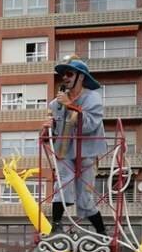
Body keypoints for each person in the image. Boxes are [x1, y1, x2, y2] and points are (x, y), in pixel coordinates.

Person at [42, 56, 107, 236]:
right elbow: (49, 133)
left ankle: (102, 232)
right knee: (63, 183)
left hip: (86, 153)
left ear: (81, 77)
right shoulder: (55, 104)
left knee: (85, 199)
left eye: (69, 74)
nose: (65, 78)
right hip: (64, 152)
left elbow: (89, 125)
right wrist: (46, 129)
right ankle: (55, 226)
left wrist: (70, 105)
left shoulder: (93, 98)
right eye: (63, 74)